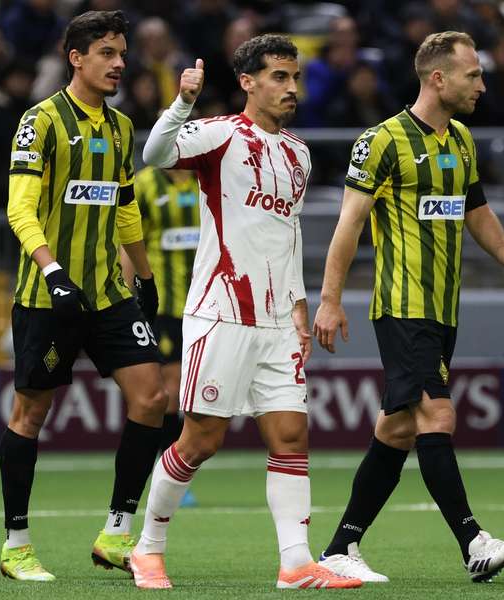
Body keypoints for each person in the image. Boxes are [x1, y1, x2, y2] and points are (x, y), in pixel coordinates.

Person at [131, 35, 362, 590]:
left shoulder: (300, 154)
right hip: (221, 313)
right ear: (248, 82)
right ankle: (146, 548)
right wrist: (182, 102)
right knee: (200, 441)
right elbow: (155, 154)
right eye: (279, 77)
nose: (291, 88)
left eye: (295, 77)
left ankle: (296, 563)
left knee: (290, 435)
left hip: (279, 319)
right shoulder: (219, 135)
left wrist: (303, 304)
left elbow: (289, 233)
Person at [312, 31, 504, 584]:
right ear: (439, 78)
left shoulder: (461, 140)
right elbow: (350, 224)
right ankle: (473, 542)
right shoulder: (382, 141)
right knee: (438, 415)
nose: (482, 85)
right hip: (403, 306)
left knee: (396, 431)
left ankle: (341, 547)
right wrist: (330, 300)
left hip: (443, 311)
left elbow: (475, 208)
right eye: (473, 75)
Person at [0, 10, 167, 582]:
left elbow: (123, 207)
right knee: (31, 413)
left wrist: (144, 278)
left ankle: (116, 534)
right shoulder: (39, 122)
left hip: (107, 293)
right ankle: (16, 544)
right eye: (108, 53)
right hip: (49, 295)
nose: (120, 63)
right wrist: (51, 271)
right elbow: (19, 207)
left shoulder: (121, 129)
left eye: (122, 54)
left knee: (151, 400)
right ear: (77, 58)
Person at [121, 166, 201, 507]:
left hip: (204, 304)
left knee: (189, 392)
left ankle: (171, 471)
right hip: (163, 306)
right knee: (169, 389)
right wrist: (128, 295)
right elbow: (129, 241)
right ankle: (169, 474)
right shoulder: (146, 184)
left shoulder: (206, 177)